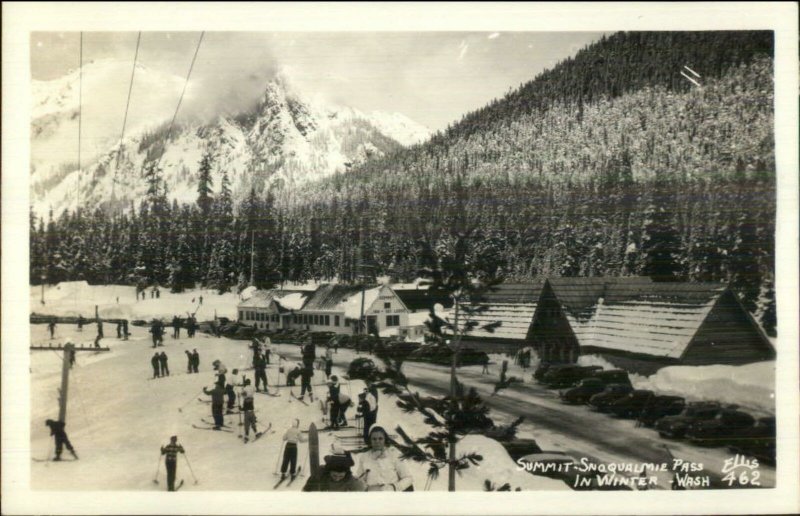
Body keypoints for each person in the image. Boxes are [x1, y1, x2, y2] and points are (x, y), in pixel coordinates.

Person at [356, 426, 413, 492]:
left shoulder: (394, 454)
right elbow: (359, 479)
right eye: (374, 439)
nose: (377, 441)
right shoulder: (364, 457)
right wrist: (367, 488)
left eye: (380, 438)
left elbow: (408, 478)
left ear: (385, 439)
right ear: (370, 440)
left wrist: (394, 487)